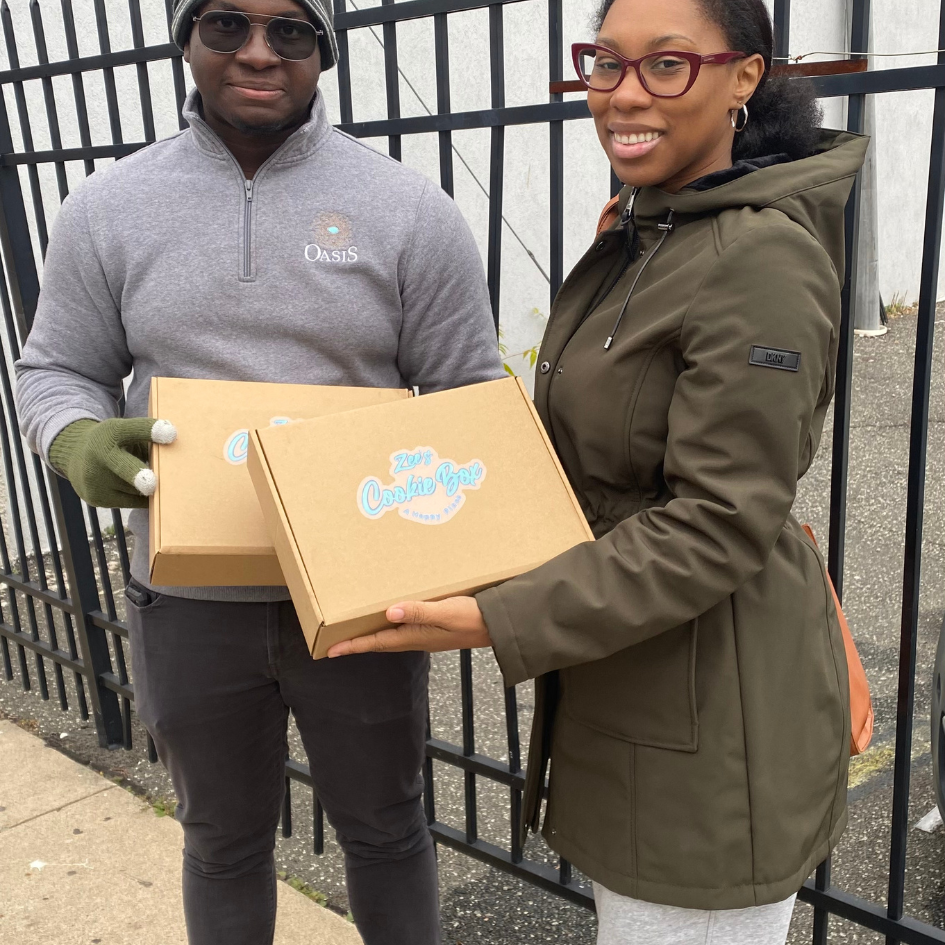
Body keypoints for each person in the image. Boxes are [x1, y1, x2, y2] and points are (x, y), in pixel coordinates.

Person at [327, 0, 868, 942]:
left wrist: (501, 614)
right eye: (604, 63)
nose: (622, 94)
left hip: (714, 706)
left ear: (744, 76)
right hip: (641, 669)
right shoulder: (650, 227)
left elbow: (716, 521)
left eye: (666, 65)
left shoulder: (758, 258)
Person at [15, 1, 503, 943]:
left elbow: (468, 399)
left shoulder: (408, 209)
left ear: (324, 50)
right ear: (186, 39)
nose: (256, 52)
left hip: (361, 599)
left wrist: (457, 526)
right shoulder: (109, 206)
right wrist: (76, 438)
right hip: (187, 598)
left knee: (388, 829)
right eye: (226, 24)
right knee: (221, 840)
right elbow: (56, 369)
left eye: (290, 31)